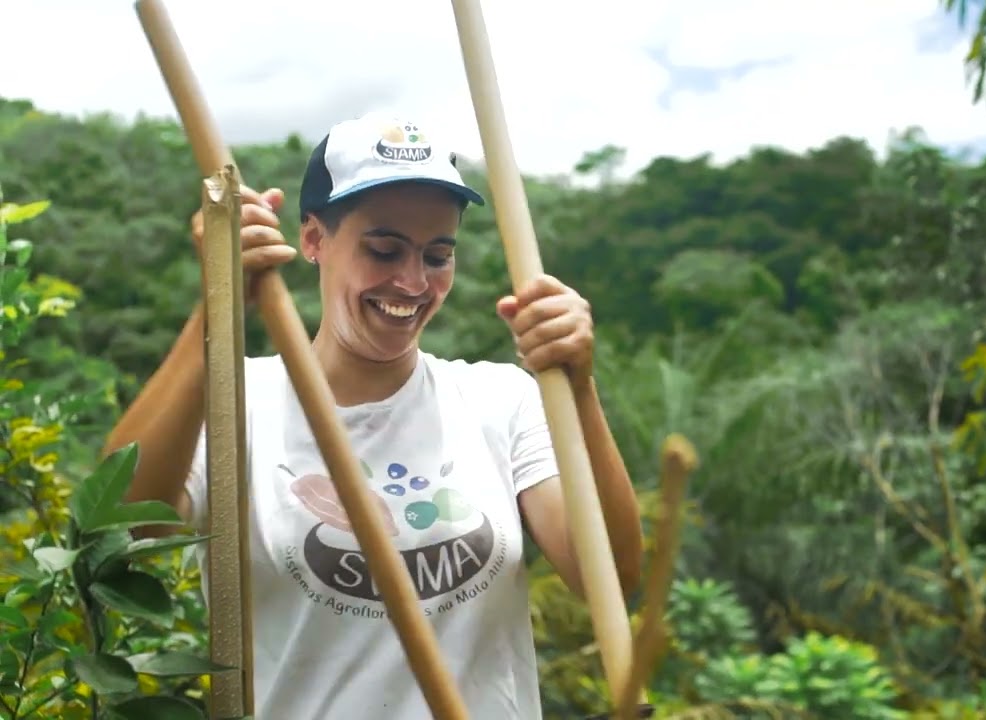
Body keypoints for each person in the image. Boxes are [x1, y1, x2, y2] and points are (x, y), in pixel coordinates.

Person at [103, 111, 645, 719]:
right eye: (384, 249)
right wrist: (217, 305)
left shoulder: (500, 399)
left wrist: (578, 382)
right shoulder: (235, 402)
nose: (412, 282)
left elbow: (610, 577)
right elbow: (118, 535)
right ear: (313, 240)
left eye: (437, 256)